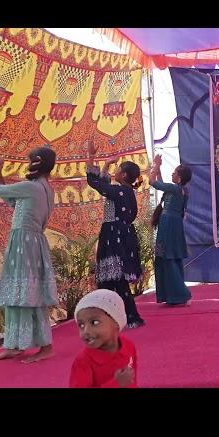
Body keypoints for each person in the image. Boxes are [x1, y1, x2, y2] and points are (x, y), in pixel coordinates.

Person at [0, 147, 58, 363]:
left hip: (24, 244)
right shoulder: (44, 188)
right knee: (22, 295)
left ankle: (46, 347)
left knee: (26, 295)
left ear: (35, 163)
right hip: (29, 244)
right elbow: (10, 199)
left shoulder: (32, 187)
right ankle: (14, 345)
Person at [86, 141, 145, 329]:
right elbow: (105, 186)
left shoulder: (120, 191)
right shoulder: (125, 192)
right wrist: (106, 165)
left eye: (118, 170)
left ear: (124, 175)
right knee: (114, 278)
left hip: (113, 235)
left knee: (113, 278)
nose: (115, 172)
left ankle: (123, 316)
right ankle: (121, 316)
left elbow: (94, 183)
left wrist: (91, 156)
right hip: (122, 235)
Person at [70, 289, 137, 388]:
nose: (86, 331)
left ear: (116, 323)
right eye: (81, 325)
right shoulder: (82, 361)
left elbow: (132, 380)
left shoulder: (129, 347)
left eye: (94, 322)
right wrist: (116, 384)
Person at [149, 155, 192, 305]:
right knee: (173, 256)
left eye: (174, 173)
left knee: (166, 256)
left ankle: (179, 294)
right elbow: (161, 183)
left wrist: (155, 165)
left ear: (179, 178)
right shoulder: (182, 190)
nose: (172, 174)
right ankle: (174, 295)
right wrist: (159, 168)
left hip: (167, 224)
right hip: (175, 224)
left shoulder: (174, 188)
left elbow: (152, 182)